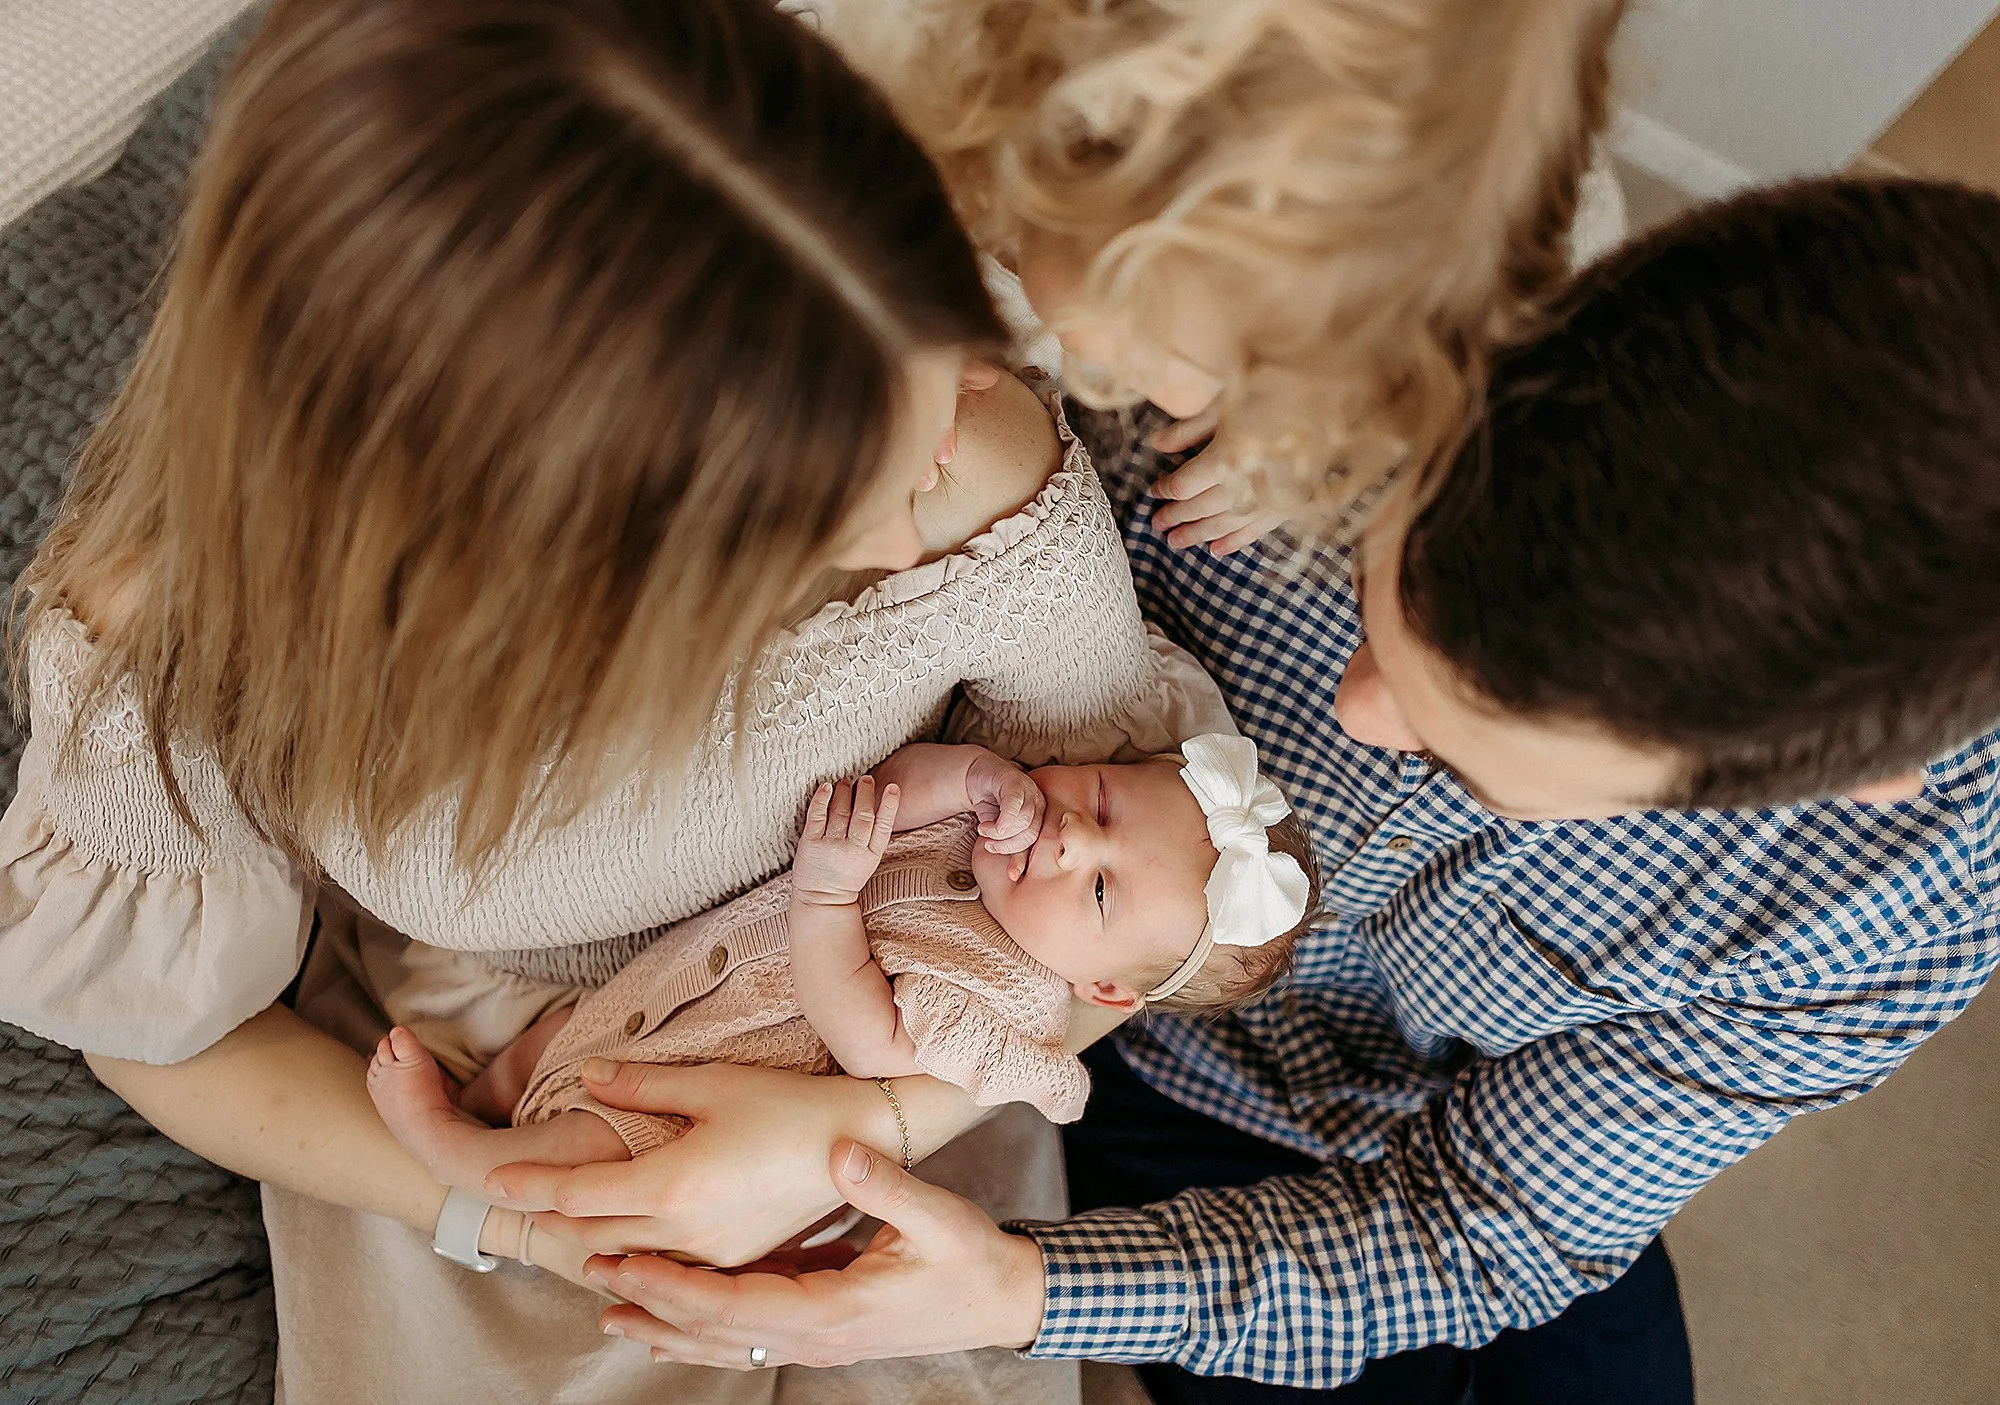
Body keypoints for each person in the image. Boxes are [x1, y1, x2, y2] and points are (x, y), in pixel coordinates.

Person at [569, 178, 2000, 1402]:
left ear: (1829, 784)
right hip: (1153, 1058)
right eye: (1377, 604)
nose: (1355, 717)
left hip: (1457, 1145)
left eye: (1462, 742)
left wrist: (1008, 1293)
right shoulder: (1289, 319)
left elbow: (1490, 1221)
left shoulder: (1894, 910)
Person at [0, 1, 1230, 1401]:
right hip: (494, 1099)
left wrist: (858, 1121)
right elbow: (171, 1040)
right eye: (843, 504)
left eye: (937, 364)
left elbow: (1151, 891)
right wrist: (525, 1214)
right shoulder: (188, 632)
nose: (925, 499)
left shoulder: (967, 457)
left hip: (897, 1010)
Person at [840, 0, 1630, 550]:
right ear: (1085, 151)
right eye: (1171, 357)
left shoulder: (1488, 224)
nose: (1179, 403)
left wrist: (1283, 431)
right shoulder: (880, 88)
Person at [367, 738, 1319, 1194]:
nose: (1071, 839)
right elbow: (893, 787)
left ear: (1103, 989)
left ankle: (458, 1154)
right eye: (1103, 801)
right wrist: (975, 772)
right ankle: (489, 1089)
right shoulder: (995, 816)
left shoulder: (1012, 1004)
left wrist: (826, 898)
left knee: (591, 1144)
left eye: (1101, 892)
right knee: (554, 1043)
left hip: (705, 1080)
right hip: (668, 986)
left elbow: (868, 1036)